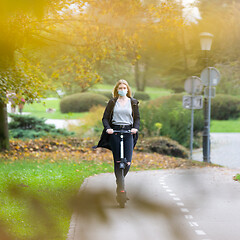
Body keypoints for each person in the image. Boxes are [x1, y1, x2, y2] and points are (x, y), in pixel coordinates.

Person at [97, 79, 140, 196]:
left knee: (127, 162)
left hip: (129, 132)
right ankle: (121, 189)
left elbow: (137, 119)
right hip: (115, 131)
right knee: (118, 162)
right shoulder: (112, 102)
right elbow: (105, 118)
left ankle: (119, 182)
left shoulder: (133, 102)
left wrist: (135, 128)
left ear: (127, 89)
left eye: (124, 88)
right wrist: (108, 128)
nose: (122, 90)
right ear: (117, 90)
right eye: (120, 88)